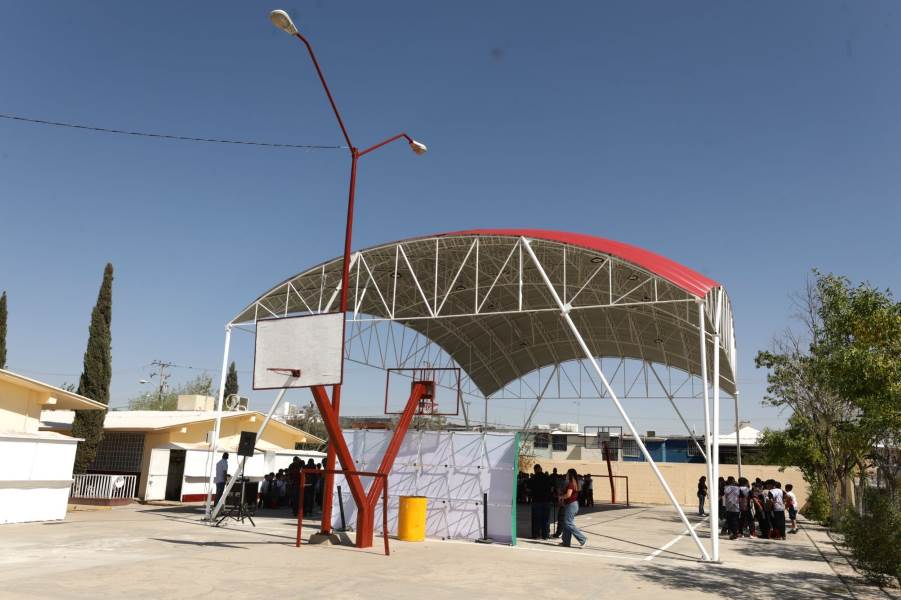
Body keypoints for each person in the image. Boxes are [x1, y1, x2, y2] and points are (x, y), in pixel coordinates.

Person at [559, 469, 587, 548]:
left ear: (570, 475)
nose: (566, 474)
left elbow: (568, 495)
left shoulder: (571, 484)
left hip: (571, 505)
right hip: (572, 505)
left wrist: (561, 497)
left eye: (567, 473)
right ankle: (566, 542)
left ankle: (582, 539)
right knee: (567, 523)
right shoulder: (574, 483)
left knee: (568, 523)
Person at [528, 465, 553, 539]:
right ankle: (545, 535)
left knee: (536, 519)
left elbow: (528, 489)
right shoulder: (547, 477)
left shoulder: (533, 478)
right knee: (545, 519)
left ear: (535, 470)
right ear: (541, 469)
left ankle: (536, 534)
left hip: (536, 501)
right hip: (546, 501)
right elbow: (552, 488)